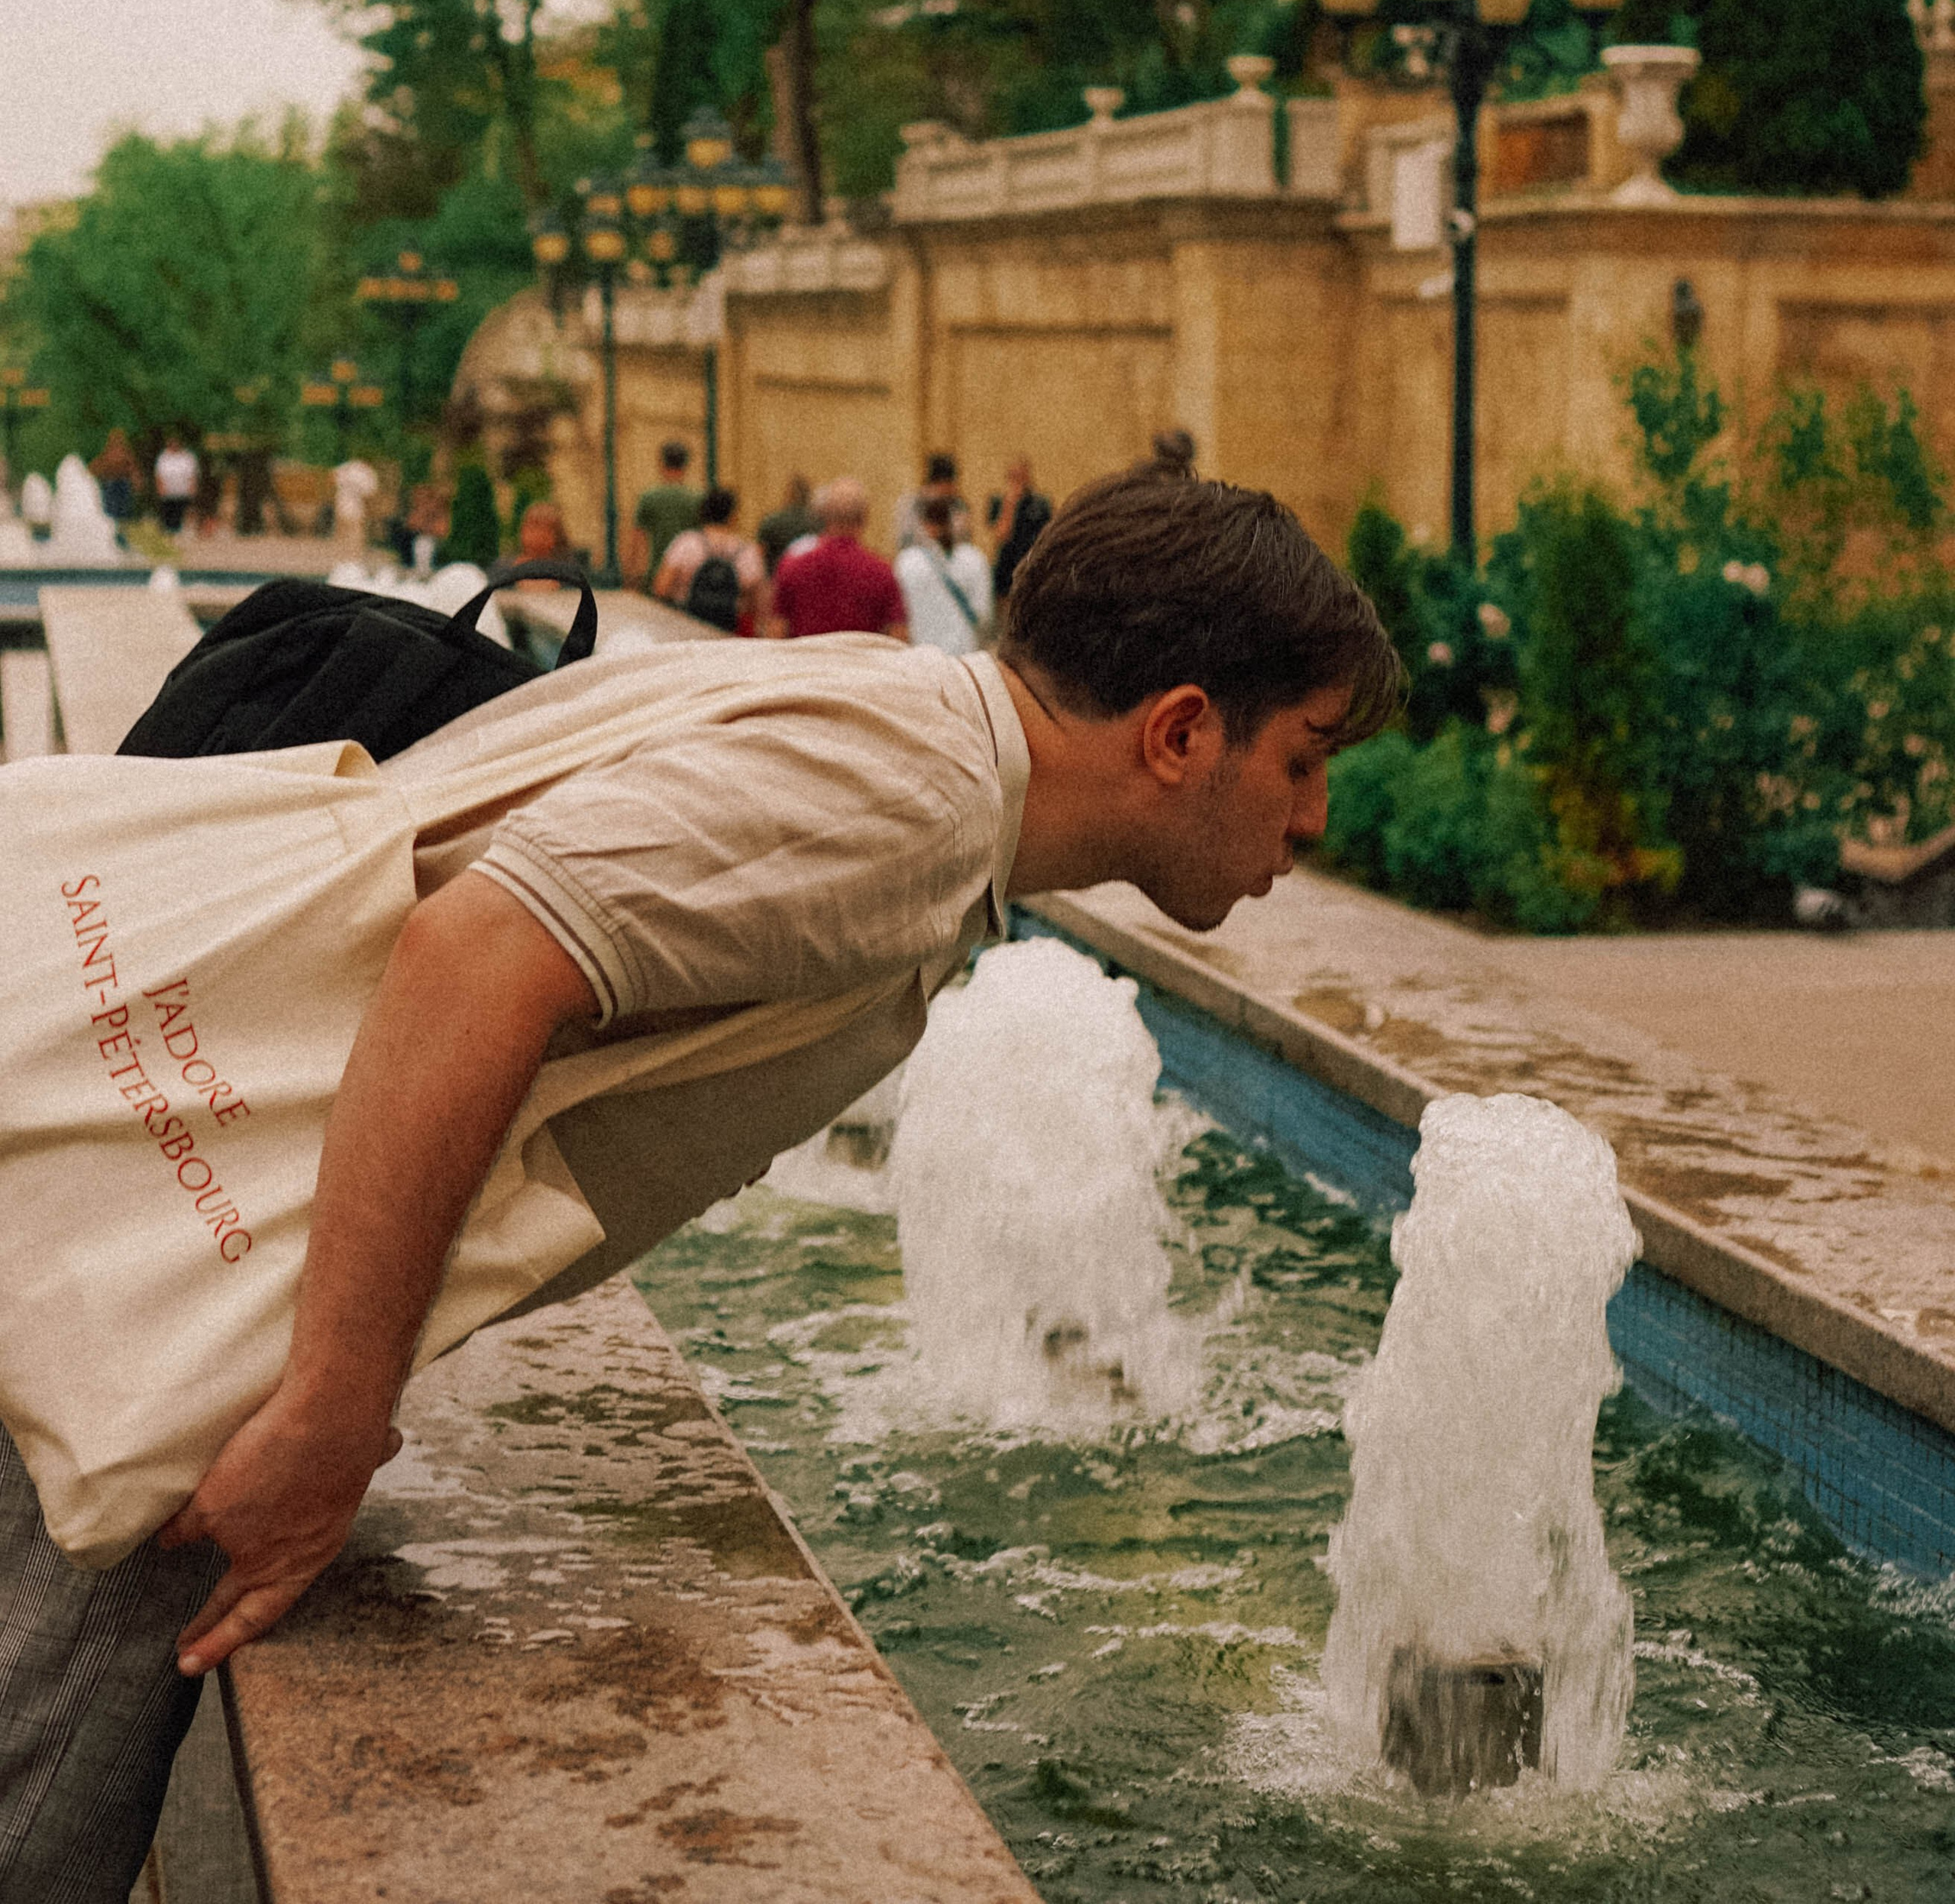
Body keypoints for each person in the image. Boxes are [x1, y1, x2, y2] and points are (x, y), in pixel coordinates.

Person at [0, 466, 1398, 1887]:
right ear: (1180, 731)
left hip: (114, 1230)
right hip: (130, 1294)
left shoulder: (900, 719)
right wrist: (330, 1412)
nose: (1316, 817)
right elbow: (476, 957)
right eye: (1305, 757)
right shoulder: (917, 797)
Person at [768, 477, 908, 638]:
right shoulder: (882, 572)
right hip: (860, 655)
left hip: (807, 655)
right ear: (864, 518)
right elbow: (898, 635)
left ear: (823, 515)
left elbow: (776, 632)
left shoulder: (792, 566)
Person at [896, 486, 993, 658]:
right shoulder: (975, 559)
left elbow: (899, 619)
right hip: (963, 656)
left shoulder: (906, 562)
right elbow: (984, 614)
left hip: (920, 655)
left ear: (923, 523)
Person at [654, 485, 766, 634]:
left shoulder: (686, 543)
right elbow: (758, 605)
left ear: (702, 513)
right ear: (733, 516)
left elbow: (661, 588)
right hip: (728, 633)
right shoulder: (747, 552)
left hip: (687, 630)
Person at [624, 441, 702, 591]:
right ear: (686, 465)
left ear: (662, 464)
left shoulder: (649, 497)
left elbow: (636, 540)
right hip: (689, 578)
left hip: (656, 574)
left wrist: (629, 576)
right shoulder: (698, 499)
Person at [988, 456, 1053, 603]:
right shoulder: (998, 502)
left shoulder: (1041, 503)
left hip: (1031, 564)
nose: (1017, 481)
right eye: (1013, 476)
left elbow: (1047, 536)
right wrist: (1010, 504)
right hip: (1006, 566)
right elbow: (1001, 534)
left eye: (1021, 476)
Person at [894, 450, 970, 550]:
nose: (952, 491)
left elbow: (963, 543)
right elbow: (904, 542)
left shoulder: (959, 506)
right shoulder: (909, 504)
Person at [755, 472, 814, 579]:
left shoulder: (771, 522)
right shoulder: (819, 522)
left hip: (777, 579)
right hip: (810, 579)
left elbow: (759, 555)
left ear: (788, 494)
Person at [153, 435, 198, 537]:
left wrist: (192, 487)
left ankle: (180, 533)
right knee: (169, 514)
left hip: (183, 492)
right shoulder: (163, 457)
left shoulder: (188, 457)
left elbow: (193, 474)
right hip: (168, 492)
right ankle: (169, 533)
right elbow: (159, 474)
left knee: (181, 513)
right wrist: (160, 488)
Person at [91, 433, 137, 525]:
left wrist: (136, 480)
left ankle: (121, 527)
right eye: (115, 439)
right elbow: (96, 468)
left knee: (123, 512)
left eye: (119, 439)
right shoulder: (106, 454)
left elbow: (132, 468)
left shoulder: (126, 454)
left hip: (123, 485)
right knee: (110, 512)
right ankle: (112, 527)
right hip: (109, 484)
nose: (117, 441)